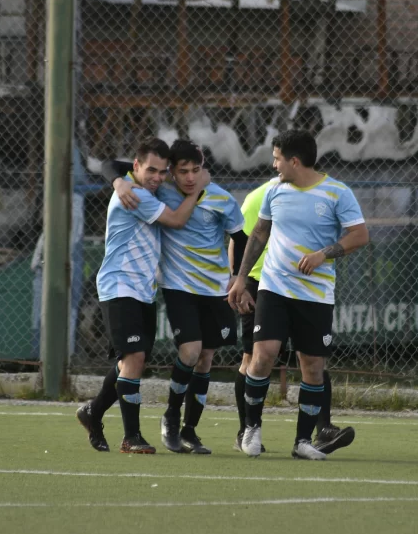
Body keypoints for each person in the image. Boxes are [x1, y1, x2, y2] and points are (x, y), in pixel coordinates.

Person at [228, 129, 369, 460]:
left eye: (277, 158)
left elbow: (360, 235)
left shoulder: (337, 193)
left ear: (294, 161)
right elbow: (259, 233)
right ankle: (251, 428)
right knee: (262, 356)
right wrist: (239, 279)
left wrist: (324, 254)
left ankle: (303, 441)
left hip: (316, 294)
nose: (274, 165)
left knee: (313, 366)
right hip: (274, 287)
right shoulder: (274, 192)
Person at [106, 139, 248, 455]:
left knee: (206, 358)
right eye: (182, 171)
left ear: (203, 169)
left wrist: (239, 277)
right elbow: (117, 165)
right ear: (172, 172)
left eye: (196, 170)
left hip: (214, 290)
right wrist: (117, 181)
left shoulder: (220, 199)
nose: (189, 177)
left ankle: (190, 430)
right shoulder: (160, 191)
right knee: (191, 351)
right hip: (179, 287)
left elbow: (241, 236)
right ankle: (171, 415)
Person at [76, 137, 205, 454]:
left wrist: (116, 178)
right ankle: (131, 436)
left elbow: (112, 166)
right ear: (136, 167)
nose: (158, 177)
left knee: (130, 361)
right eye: (152, 170)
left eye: (163, 172)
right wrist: (200, 188)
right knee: (133, 358)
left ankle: (93, 412)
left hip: (142, 290)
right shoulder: (134, 195)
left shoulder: (139, 185)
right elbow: (176, 220)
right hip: (120, 286)